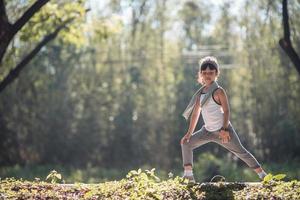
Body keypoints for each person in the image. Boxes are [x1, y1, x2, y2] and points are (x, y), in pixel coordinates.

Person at [180, 56, 267, 182]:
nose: (207, 75)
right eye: (204, 73)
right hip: (207, 131)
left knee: (241, 152)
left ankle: (263, 176)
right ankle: (188, 175)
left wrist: (224, 129)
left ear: (216, 73)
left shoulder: (218, 91)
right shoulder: (200, 94)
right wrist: (189, 133)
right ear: (201, 74)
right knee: (186, 143)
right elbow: (195, 114)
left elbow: (226, 111)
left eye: (211, 73)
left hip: (223, 131)